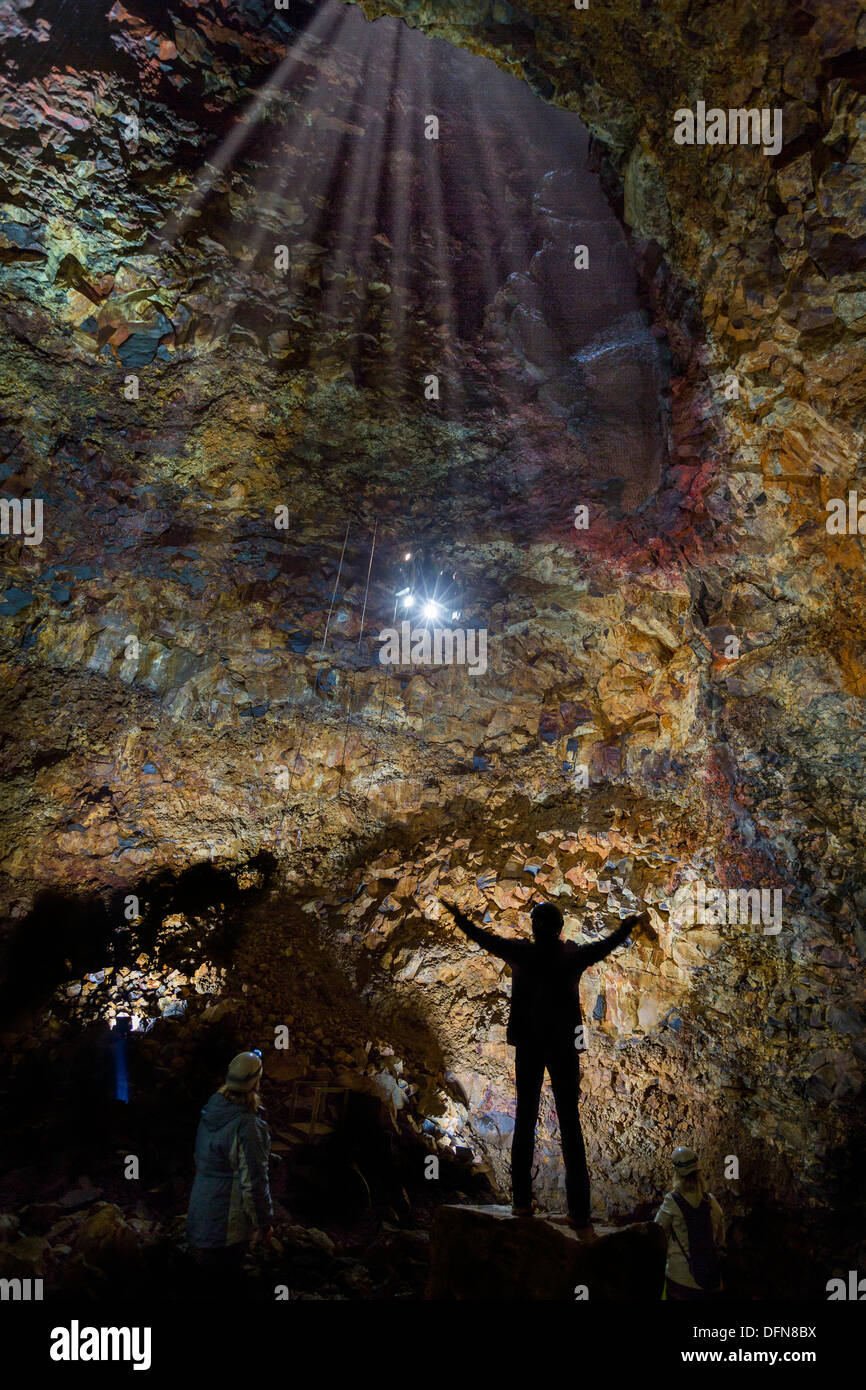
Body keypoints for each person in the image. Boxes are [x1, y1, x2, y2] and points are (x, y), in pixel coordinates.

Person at [441, 897, 649, 1233]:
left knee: (524, 1119)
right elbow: (606, 945)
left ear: (534, 928)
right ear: (560, 928)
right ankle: (578, 1213)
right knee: (571, 1125)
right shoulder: (572, 956)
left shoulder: (522, 953)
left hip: (529, 1044)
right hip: (566, 1046)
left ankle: (521, 1204)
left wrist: (457, 917)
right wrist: (627, 926)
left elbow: (483, 939)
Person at [186, 1050, 273, 1291]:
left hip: (202, 1209)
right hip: (228, 1221)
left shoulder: (211, 1112)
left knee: (208, 1278)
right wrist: (264, 1223)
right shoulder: (247, 1126)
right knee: (225, 1281)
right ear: (256, 1082)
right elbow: (253, 1181)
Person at [654, 1145, 726, 1298]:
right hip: (711, 1280)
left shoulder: (672, 1202)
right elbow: (721, 1241)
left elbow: (657, 1234)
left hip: (680, 1280)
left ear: (677, 1174)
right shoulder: (712, 1202)